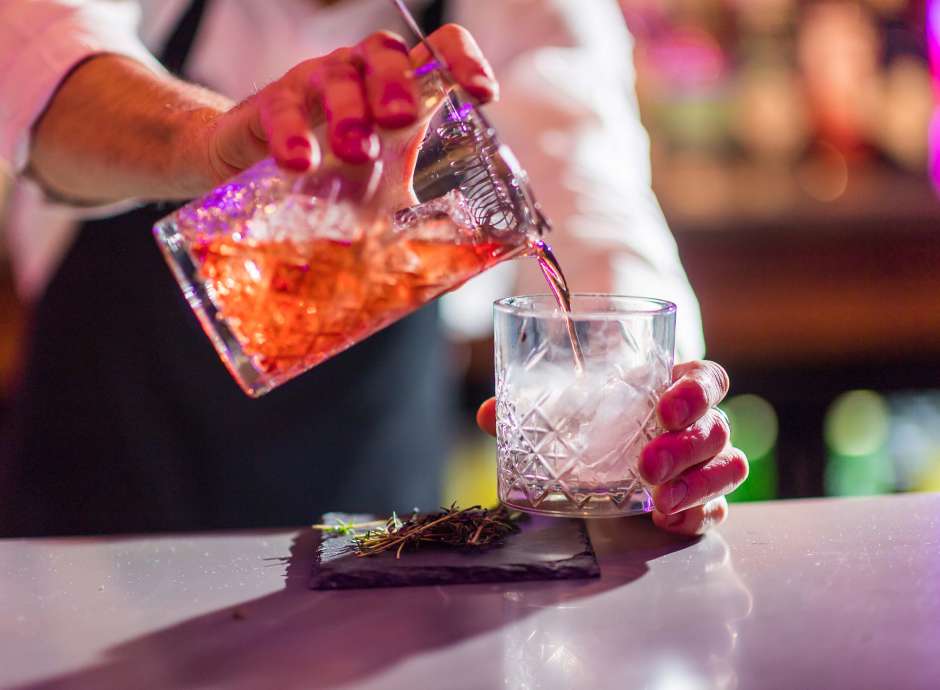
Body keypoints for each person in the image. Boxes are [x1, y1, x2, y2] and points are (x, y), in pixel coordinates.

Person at [0, 0, 747, 537]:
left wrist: (656, 425)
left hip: (372, 554)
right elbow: (43, 68)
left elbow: (595, 214)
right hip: (88, 537)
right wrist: (211, 145)